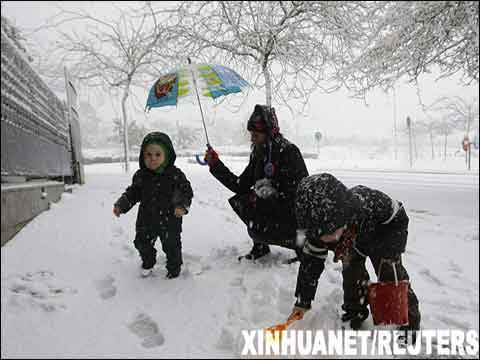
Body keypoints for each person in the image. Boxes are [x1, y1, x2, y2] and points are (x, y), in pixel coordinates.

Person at [288, 173, 421, 338]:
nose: (328, 239)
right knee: (352, 275)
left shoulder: (366, 206)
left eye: (330, 231)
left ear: (341, 217)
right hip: (352, 238)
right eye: (321, 235)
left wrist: (390, 251)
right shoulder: (318, 227)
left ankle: (407, 322)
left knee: (389, 277)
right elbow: (310, 265)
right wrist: (303, 301)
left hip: (385, 231)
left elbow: (399, 217)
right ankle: (354, 312)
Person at [204, 104, 309, 260]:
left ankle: (303, 250)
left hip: (294, 213)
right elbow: (240, 185)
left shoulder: (288, 151)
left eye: (256, 134)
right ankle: (260, 246)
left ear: (269, 132)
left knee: (296, 223)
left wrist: (272, 193)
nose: (252, 138)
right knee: (244, 200)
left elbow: (302, 193)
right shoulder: (258, 153)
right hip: (272, 207)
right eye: (251, 133)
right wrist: (215, 164)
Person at [113, 132, 193, 278]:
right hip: (146, 218)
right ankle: (148, 261)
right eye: (148, 155)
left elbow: (186, 191)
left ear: (167, 155)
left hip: (170, 219)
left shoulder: (175, 175)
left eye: (157, 154)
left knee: (172, 246)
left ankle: (174, 268)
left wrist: (181, 206)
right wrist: (121, 205)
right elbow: (133, 193)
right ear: (143, 156)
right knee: (141, 242)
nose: (153, 158)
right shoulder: (141, 176)